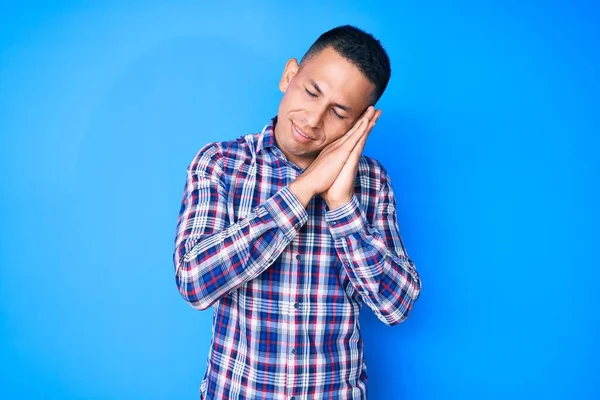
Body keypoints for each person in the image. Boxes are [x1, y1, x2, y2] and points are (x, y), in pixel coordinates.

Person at [172, 24, 422, 400]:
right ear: (290, 75)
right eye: (311, 91)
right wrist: (303, 190)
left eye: (339, 112)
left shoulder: (372, 182)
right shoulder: (221, 163)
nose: (313, 119)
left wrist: (342, 205)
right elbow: (194, 281)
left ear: (360, 122)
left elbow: (396, 306)